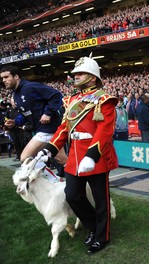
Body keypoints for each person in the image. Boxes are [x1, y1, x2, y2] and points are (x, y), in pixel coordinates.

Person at [36, 55, 119, 253]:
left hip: (95, 157)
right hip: (74, 157)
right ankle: (92, 226)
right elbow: (64, 129)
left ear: (92, 77)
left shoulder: (104, 99)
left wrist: (92, 155)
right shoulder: (72, 100)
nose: (75, 76)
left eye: (80, 73)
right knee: (72, 196)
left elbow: (105, 130)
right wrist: (48, 150)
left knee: (101, 201)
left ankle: (102, 236)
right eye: (75, 73)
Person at [0, 65, 67, 165]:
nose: (3, 80)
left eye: (6, 77)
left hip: (47, 129)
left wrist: (47, 113)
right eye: (2, 78)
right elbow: (25, 113)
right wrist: (15, 122)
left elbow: (56, 95)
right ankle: (80, 176)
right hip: (42, 129)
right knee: (62, 160)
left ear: (16, 76)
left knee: (25, 158)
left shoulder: (30, 87)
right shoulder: (16, 94)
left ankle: (42, 180)